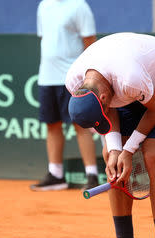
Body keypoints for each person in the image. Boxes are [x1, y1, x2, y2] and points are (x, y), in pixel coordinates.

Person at [65, 32, 155, 238]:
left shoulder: (129, 78)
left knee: (153, 155)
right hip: (126, 85)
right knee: (110, 158)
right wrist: (115, 150)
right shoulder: (75, 81)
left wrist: (130, 149)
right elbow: (109, 111)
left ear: (103, 97)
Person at [30, 0, 99, 191]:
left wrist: (87, 77)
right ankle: (56, 175)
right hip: (46, 76)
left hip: (72, 78)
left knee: (81, 125)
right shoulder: (43, 6)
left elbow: (90, 44)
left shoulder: (79, 6)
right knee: (52, 124)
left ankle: (92, 175)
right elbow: (46, 39)